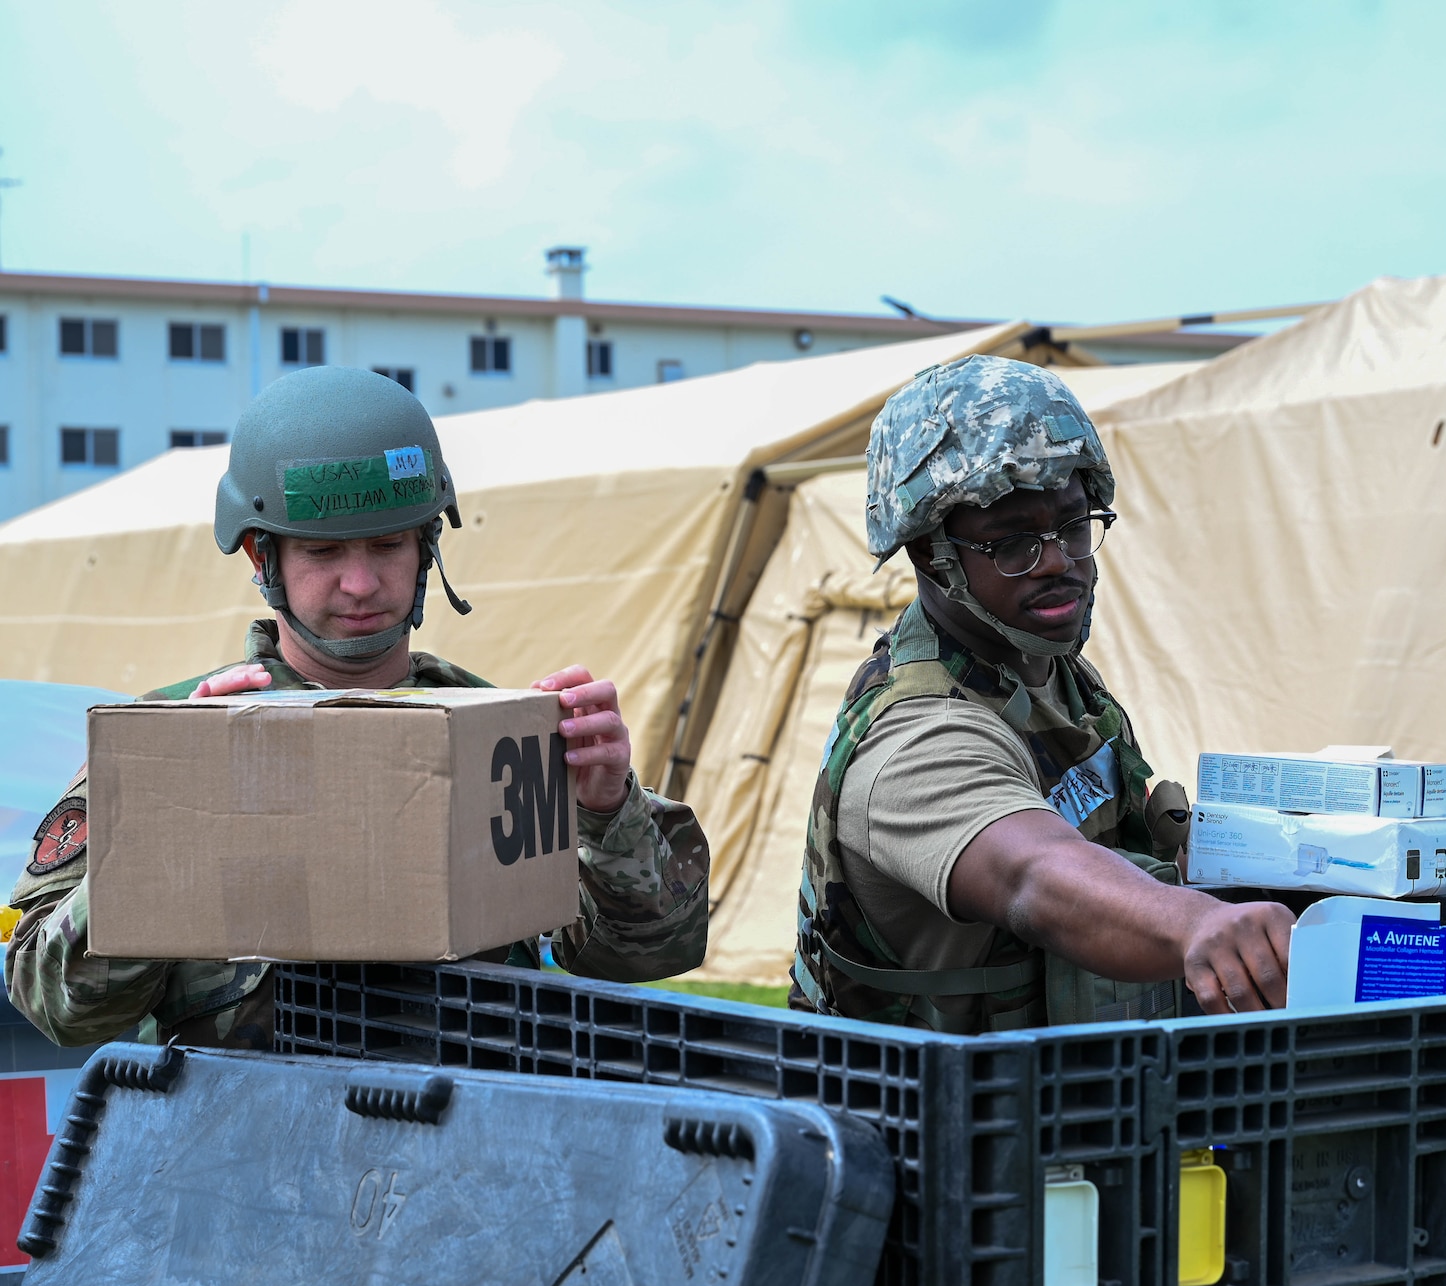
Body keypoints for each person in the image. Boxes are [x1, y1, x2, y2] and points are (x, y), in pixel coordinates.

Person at [7, 366, 708, 1048]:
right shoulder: (171, 738)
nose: (362, 581)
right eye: (323, 550)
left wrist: (607, 809)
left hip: (474, 1144)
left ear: (426, 545)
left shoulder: (496, 733)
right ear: (262, 557)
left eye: (388, 543)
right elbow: (56, 1006)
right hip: (242, 1154)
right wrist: (169, 826)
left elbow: (648, 952)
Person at [791, 355, 1291, 1032]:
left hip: (1073, 1104)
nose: (1058, 560)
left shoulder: (1052, 677)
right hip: (933, 1120)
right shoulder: (916, 737)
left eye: (1073, 526)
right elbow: (1033, 872)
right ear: (930, 556)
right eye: (1013, 542)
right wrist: (1197, 921)